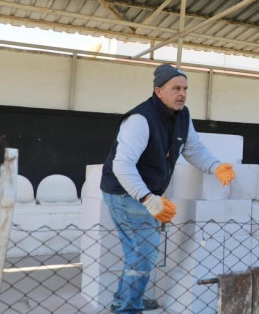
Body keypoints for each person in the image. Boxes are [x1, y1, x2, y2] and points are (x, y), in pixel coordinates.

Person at [100, 63, 236, 314]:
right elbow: (122, 165)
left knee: (139, 251)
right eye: (175, 88)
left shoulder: (182, 116)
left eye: (185, 88)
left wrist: (215, 167)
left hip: (144, 193)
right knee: (145, 252)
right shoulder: (140, 119)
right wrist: (148, 199)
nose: (182, 93)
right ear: (158, 91)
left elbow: (193, 149)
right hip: (124, 192)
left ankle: (127, 300)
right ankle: (129, 308)